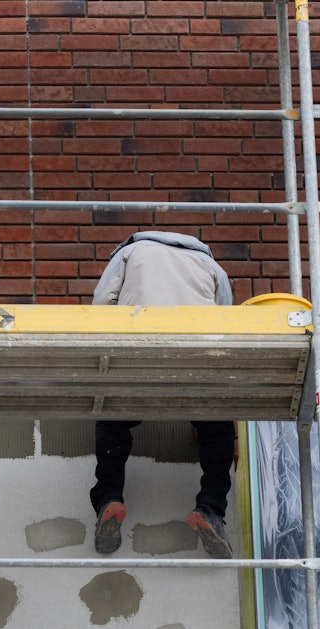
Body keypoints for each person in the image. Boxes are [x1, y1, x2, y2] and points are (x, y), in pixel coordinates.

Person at [89, 230, 236, 559]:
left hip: (137, 353)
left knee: (113, 421)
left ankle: (109, 500)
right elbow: (227, 321)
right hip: (193, 360)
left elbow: (102, 305)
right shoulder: (212, 266)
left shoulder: (132, 253)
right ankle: (211, 508)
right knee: (218, 427)